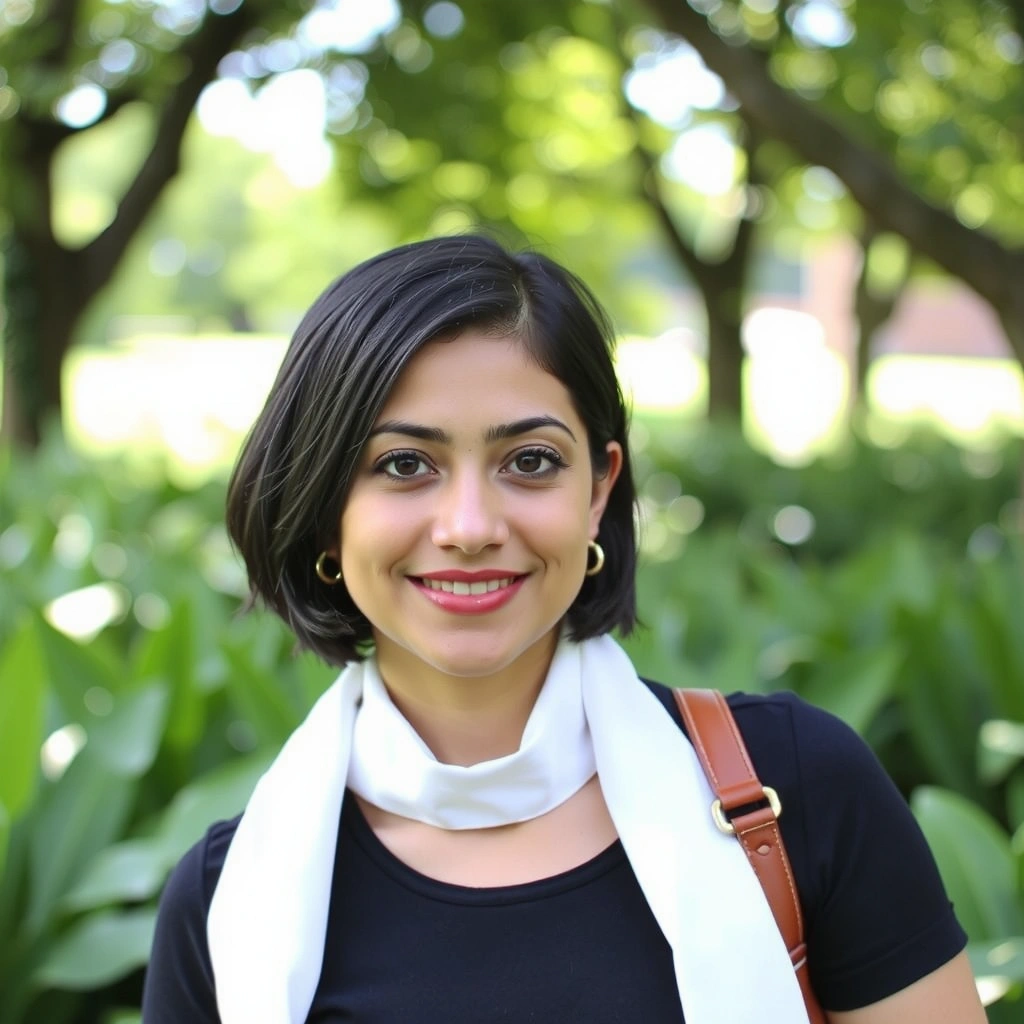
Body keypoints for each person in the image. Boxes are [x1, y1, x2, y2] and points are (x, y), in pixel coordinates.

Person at [142, 234, 984, 1023]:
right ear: (325, 507)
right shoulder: (226, 900)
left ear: (598, 489)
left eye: (530, 461)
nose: (468, 525)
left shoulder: (795, 792)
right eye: (404, 464)